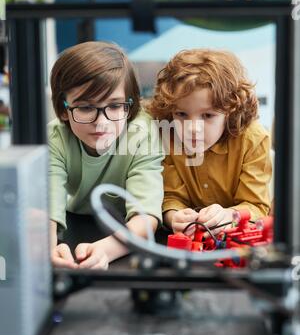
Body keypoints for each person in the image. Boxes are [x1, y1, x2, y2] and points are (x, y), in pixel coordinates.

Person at [49, 41, 164, 269]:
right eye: (85, 107)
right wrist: (48, 246)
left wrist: (106, 251)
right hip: (74, 220)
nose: (101, 123)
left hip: (126, 228)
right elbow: (48, 209)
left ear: (128, 107)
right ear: (63, 110)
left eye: (114, 106)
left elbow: (146, 217)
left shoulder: (143, 133)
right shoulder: (55, 138)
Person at [148, 48, 272, 238]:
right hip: (187, 242)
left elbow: (255, 206)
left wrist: (230, 215)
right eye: (181, 114)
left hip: (237, 242)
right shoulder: (167, 135)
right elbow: (171, 198)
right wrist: (174, 218)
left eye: (207, 115)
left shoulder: (254, 139)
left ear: (231, 111)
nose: (192, 128)